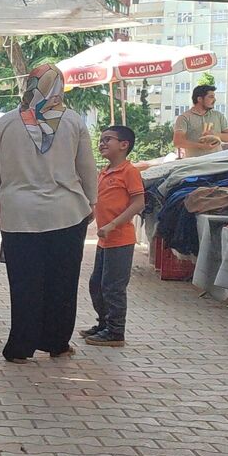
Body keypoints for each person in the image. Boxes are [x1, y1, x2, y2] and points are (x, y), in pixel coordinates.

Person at [0, 64, 97, 364]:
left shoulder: (6, 123)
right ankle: (57, 343)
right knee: (62, 281)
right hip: (66, 214)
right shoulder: (73, 122)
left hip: (19, 214)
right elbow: (87, 167)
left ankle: (20, 348)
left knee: (24, 282)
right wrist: (92, 201)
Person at [82, 125, 145, 348]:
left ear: (124, 145)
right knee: (96, 284)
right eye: (101, 139)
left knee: (113, 287)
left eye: (108, 139)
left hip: (120, 240)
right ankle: (104, 324)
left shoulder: (129, 171)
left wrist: (113, 224)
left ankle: (116, 332)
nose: (102, 143)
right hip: (105, 240)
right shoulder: (105, 171)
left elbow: (138, 203)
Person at [173, 84, 228, 158]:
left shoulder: (218, 115)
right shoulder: (184, 118)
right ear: (199, 99)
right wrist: (201, 146)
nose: (214, 100)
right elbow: (178, 142)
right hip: (195, 165)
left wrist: (215, 134)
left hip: (217, 163)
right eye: (211, 97)